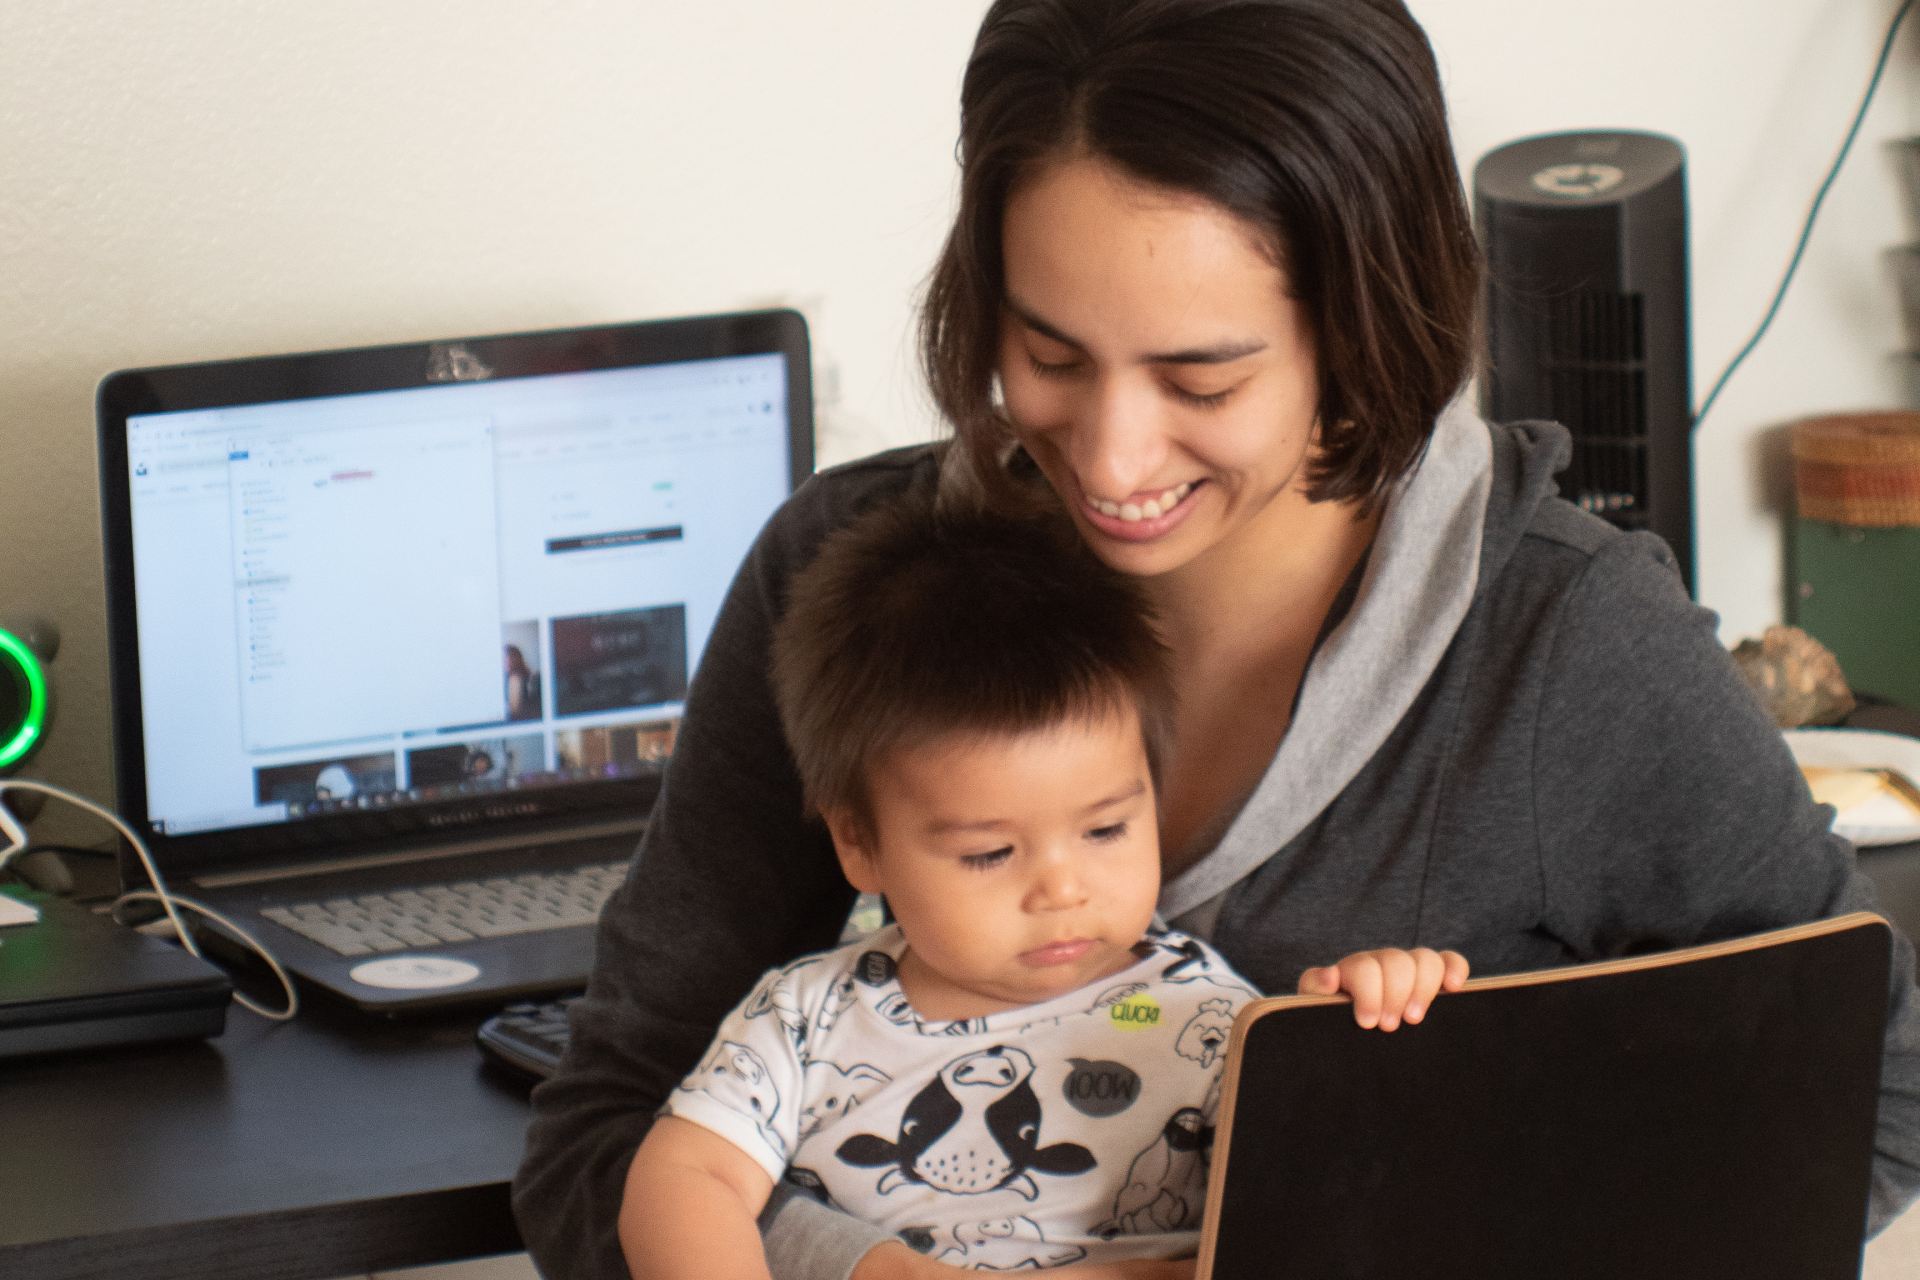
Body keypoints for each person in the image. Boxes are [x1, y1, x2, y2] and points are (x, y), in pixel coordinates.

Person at [516, 2, 1920, 1276]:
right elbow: (606, 1133)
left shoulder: (1564, 643)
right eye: (1050, 354)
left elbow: (1872, 1101)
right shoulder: (853, 584)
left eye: (1203, 375)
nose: (1112, 457)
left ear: (1363, 327)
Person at [619, 492, 1468, 1278]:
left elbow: (1339, 1201)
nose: (1062, 889)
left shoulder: (1201, 1017)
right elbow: (685, 1178)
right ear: (860, 842)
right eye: (990, 853)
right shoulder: (805, 1022)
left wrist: (1350, 1034)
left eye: (1106, 830)